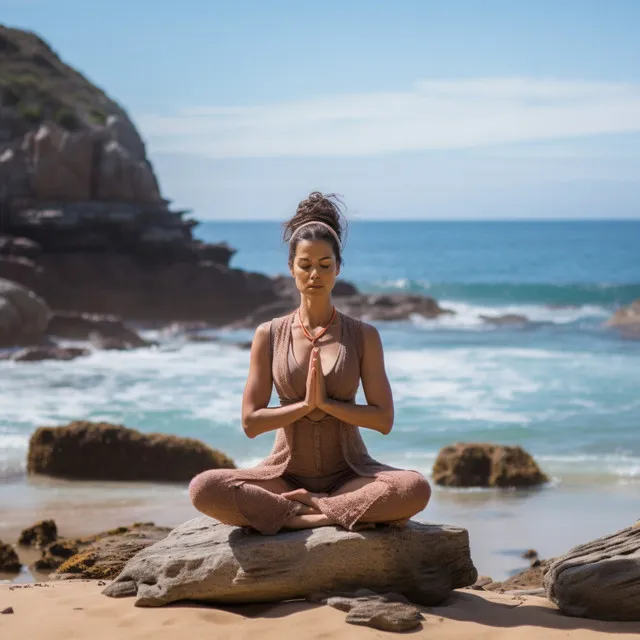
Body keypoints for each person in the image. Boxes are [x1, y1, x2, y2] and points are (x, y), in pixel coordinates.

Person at [189, 192, 431, 534]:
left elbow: (383, 419)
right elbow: (251, 422)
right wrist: (304, 406)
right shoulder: (268, 335)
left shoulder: (363, 335)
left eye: (324, 265)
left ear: (338, 268)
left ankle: (308, 512)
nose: (314, 274)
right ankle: (319, 510)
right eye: (305, 265)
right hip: (282, 475)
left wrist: (328, 405)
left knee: (414, 488)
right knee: (204, 487)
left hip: (351, 475)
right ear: (291, 268)